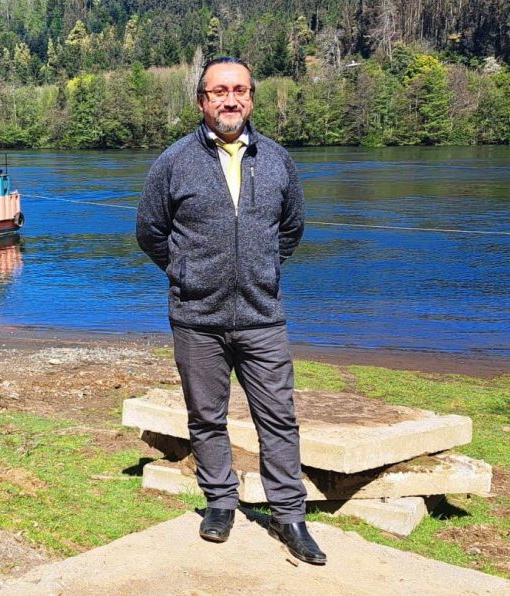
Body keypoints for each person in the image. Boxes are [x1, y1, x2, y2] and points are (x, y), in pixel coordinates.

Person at [136, 56, 325, 565]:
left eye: (239, 90)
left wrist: (260, 270)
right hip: (197, 318)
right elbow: (150, 232)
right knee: (206, 417)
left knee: (279, 418)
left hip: (263, 317)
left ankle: (289, 515)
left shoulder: (278, 160)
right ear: (201, 101)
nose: (230, 99)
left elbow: (292, 229)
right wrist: (188, 275)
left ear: (251, 99)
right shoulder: (174, 162)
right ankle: (220, 502)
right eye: (219, 91)